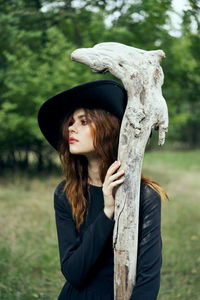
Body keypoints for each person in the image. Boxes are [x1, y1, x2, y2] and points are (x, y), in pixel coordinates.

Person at [38, 79, 168, 300]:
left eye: (84, 121)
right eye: (71, 122)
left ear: (108, 128)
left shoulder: (145, 195)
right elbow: (73, 273)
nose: (71, 127)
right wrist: (108, 211)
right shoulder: (65, 193)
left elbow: (149, 277)